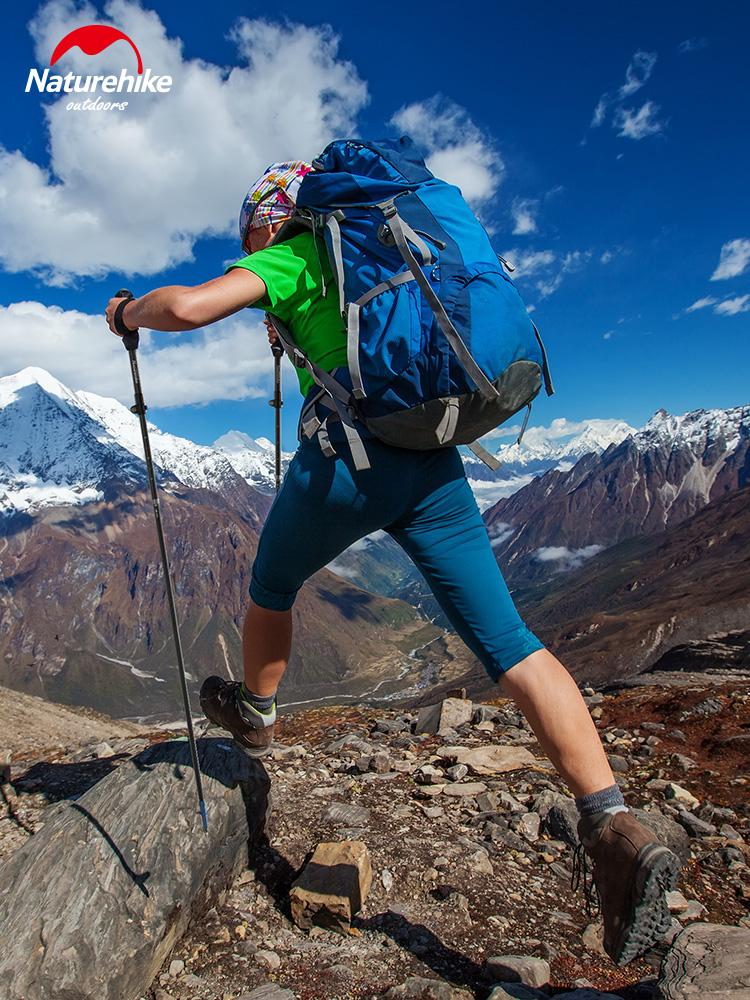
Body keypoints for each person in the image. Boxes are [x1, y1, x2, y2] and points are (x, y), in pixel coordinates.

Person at [105, 158, 680, 966]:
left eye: (250, 233)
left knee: (271, 582)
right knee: (512, 642)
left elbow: (194, 307)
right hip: (432, 459)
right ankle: (612, 822)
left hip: (349, 465)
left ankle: (257, 714)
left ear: (273, 218)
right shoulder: (379, 254)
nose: (249, 246)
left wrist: (130, 310)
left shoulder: (293, 253)